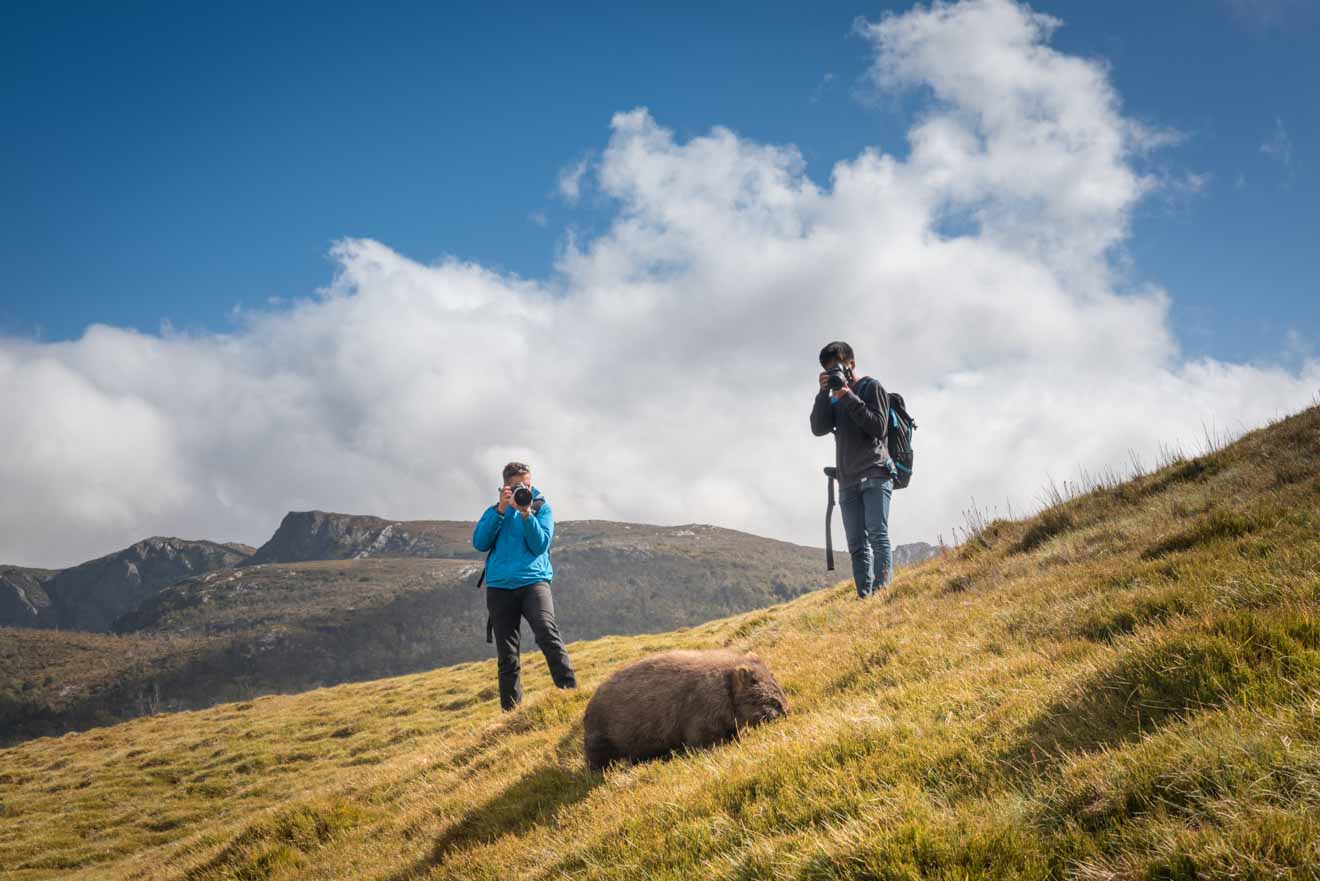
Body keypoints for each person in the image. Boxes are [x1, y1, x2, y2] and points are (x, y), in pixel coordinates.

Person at [472, 461, 577, 710]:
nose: (524, 489)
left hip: (534, 582)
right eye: (518, 485)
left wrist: (526, 514)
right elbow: (480, 542)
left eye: (527, 484)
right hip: (499, 587)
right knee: (507, 654)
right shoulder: (495, 511)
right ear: (506, 485)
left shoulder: (541, 508)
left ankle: (570, 694)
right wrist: (500, 509)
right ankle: (511, 713)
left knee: (546, 632)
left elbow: (540, 545)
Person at [810, 341, 896, 598]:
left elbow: (878, 427)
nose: (834, 372)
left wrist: (848, 395)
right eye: (828, 369)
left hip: (875, 473)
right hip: (847, 480)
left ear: (852, 364)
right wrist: (823, 393)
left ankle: (881, 595)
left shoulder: (872, 387)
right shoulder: (834, 398)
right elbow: (818, 428)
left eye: (837, 367)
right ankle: (864, 598)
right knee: (857, 546)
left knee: (878, 537)